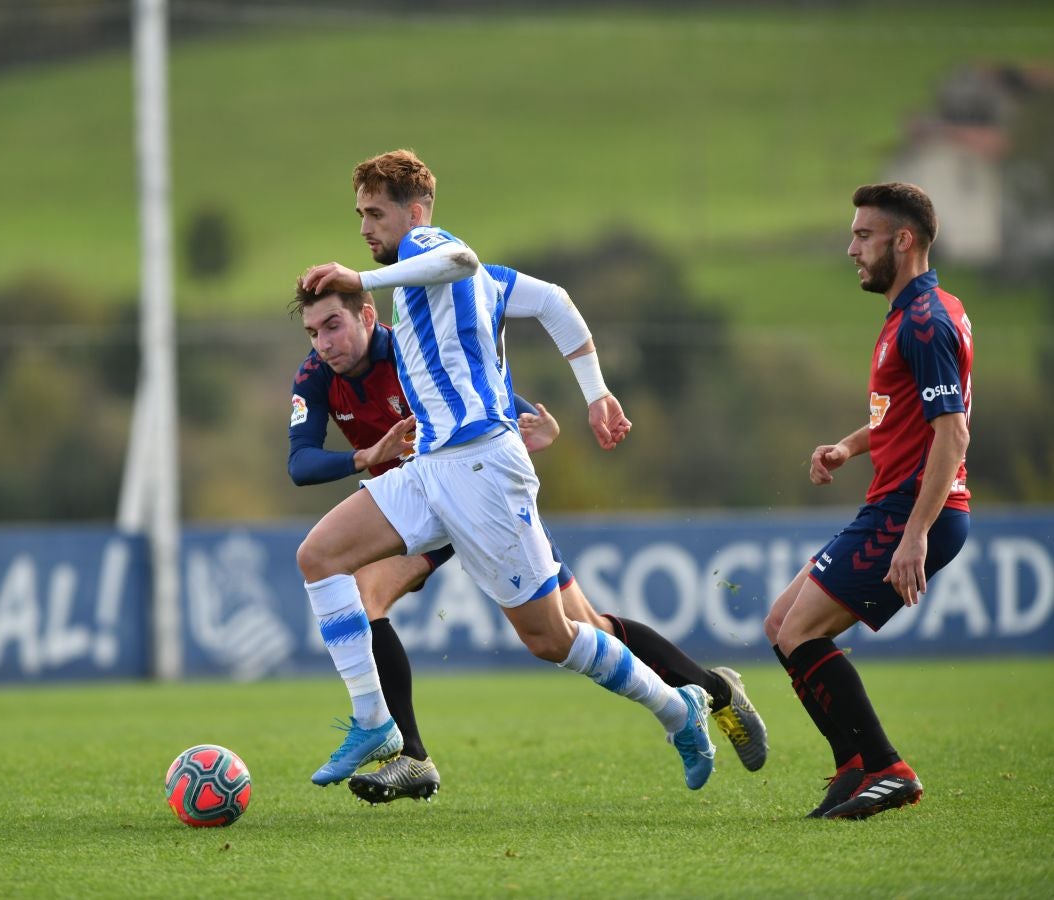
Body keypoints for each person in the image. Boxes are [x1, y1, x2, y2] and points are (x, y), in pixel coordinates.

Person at [295, 149, 717, 794]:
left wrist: (359, 277)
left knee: (553, 638)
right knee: (320, 557)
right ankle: (375, 722)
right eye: (359, 215)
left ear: (415, 211)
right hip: (433, 466)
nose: (364, 228)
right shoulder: (465, 280)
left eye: (374, 213)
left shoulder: (431, 248)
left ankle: (677, 707)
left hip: (483, 469)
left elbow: (455, 258)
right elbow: (554, 301)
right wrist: (595, 391)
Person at [763, 182, 971, 821]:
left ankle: (887, 768)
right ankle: (855, 767)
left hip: (910, 510)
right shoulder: (914, 314)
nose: (851, 248)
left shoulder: (925, 321)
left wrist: (915, 535)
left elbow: (952, 432)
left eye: (863, 236)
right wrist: (851, 448)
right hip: (892, 506)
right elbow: (907, 416)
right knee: (779, 625)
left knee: (799, 631)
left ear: (902, 241)